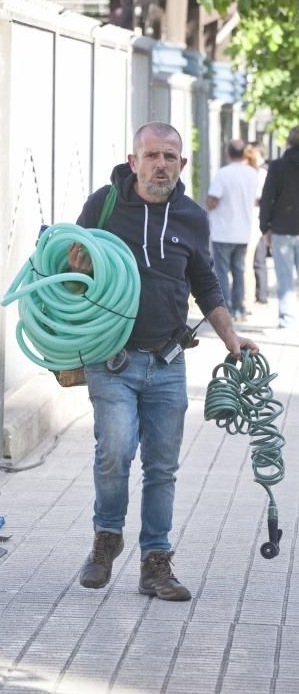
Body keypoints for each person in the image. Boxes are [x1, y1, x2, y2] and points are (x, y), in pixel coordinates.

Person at [69, 122, 258, 601]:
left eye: (169, 157)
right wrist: (77, 265)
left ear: (182, 164)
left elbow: (207, 283)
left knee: (162, 467)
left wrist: (232, 339)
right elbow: (69, 267)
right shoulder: (104, 206)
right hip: (111, 357)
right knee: (115, 450)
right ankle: (106, 539)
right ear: (133, 162)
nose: (160, 165)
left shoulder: (193, 217)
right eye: (151, 155)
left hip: (169, 362)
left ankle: (156, 563)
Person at [206, 139, 258, 320]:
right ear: (244, 153)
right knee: (239, 271)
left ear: (228, 153)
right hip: (243, 231)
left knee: (221, 272)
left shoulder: (223, 173)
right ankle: (239, 310)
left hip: (223, 231)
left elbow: (213, 200)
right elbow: (257, 199)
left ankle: (225, 310)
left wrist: (209, 206)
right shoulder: (253, 173)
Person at [260, 126, 299, 330]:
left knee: (284, 276)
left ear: (289, 142)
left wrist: (264, 226)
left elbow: (268, 197)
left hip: (282, 226)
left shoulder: (278, 166)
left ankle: (287, 320)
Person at [243, 142, 269, 306]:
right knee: (255, 260)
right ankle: (257, 295)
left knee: (247, 262)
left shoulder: (259, 174)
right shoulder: (256, 174)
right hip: (254, 221)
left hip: (253, 222)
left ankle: (249, 298)